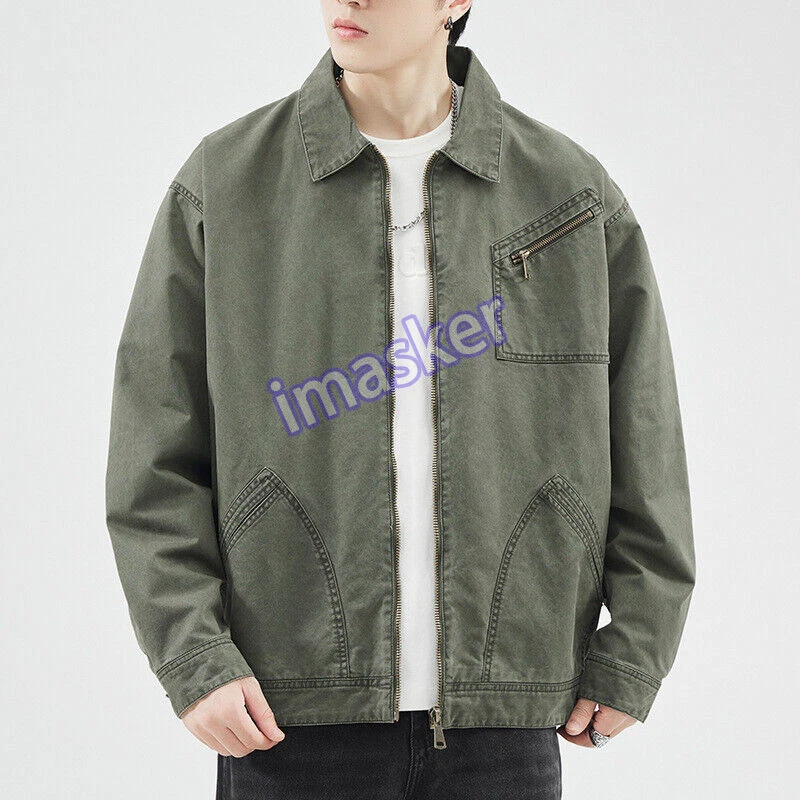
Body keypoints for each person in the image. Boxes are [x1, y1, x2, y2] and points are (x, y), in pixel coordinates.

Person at [105, 1, 696, 797]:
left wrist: (635, 648)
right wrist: (194, 655)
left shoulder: (567, 194)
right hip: (287, 715)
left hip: (505, 720)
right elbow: (153, 454)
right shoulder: (227, 184)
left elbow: (645, 435)